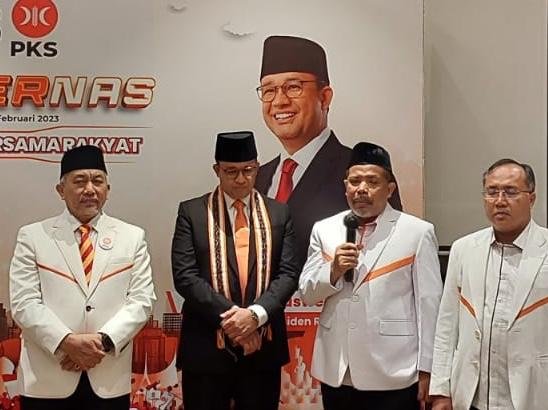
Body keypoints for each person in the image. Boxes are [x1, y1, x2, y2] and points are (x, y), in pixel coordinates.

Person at [9, 145, 156, 410]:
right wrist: (67, 343)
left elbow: (142, 301)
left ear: (108, 189)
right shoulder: (33, 236)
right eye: (79, 181)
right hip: (47, 380)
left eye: (97, 181)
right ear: (60, 190)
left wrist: (102, 343)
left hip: (108, 377)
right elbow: (24, 303)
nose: (90, 189)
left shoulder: (132, 237)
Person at [299, 142, 442, 410]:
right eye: (354, 181)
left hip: (393, 370)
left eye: (372, 182)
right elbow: (307, 292)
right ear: (345, 187)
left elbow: (429, 305)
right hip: (337, 370)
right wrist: (334, 271)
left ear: (390, 189)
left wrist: (429, 369)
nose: (361, 189)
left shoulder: (417, 232)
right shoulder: (325, 229)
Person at [171, 131, 299, 410]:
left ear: (257, 167)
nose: (241, 179)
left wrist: (254, 316)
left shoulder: (279, 213)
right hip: (206, 348)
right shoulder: (193, 212)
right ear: (216, 170)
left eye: (248, 170)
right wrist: (235, 320)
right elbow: (185, 276)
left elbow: (289, 274)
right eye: (231, 171)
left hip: (262, 347)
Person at [254, 35, 403, 268]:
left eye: (293, 87)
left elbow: (388, 254)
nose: (279, 101)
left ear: (324, 97)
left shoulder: (360, 172)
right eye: (269, 90)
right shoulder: (257, 178)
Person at [430, 159, 548, 410]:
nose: (500, 200)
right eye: (492, 192)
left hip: (533, 394)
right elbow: (447, 325)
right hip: (471, 396)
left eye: (511, 192)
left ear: (532, 198)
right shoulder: (463, 249)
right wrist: (440, 390)